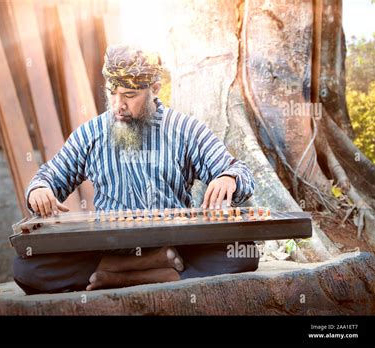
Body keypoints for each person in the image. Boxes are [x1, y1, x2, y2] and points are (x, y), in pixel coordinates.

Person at [13, 44, 259, 294]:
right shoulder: (91, 134)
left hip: (175, 242)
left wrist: (229, 178)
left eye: (129, 95)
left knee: (243, 253)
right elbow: (48, 177)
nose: (118, 105)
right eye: (112, 93)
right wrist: (39, 189)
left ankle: (115, 274)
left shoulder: (184, 130)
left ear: (154, 90)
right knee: (27, 268)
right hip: (109, 246)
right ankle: (156, 270)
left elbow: (239, 171)